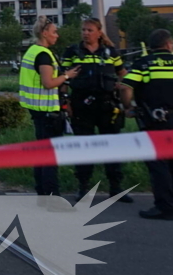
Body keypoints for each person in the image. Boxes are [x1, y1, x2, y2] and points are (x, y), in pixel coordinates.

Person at [62, 17, 131, 202]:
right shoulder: (73, 51)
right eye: (83, 29)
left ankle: (116, 187)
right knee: (83, 147)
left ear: (99, 32)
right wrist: (64, 102)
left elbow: (122, 73)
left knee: (112, 146)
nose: (85, 33)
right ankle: (83, 187)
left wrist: (121, 86)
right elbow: (63, 79)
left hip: (108, 106)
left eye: (89, 30)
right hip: (81, 105)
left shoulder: (110, 52)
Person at [19, 16, 81, 209]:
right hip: (47, 112)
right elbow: (48, 83)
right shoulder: (44, 55)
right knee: (50, 158)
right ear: (44, 33)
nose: (57, 35)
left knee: (41, 155)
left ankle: (42, 195)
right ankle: (53, 198)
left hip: (38, 110)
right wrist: (67, 76)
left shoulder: (32, 51)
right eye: (54, 32)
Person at [121, 29, 173, 220]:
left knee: (159, 164)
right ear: (169, 44)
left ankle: (165, 207)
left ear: (151, 46)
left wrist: (128, 107)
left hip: (157, 120)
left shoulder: (144, 63)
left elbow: (125, 86)